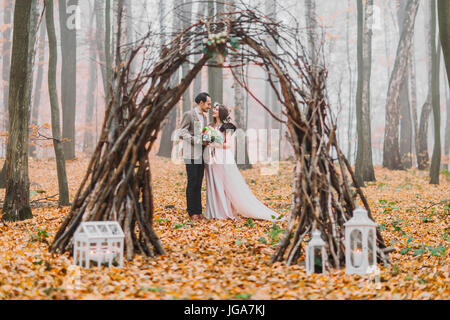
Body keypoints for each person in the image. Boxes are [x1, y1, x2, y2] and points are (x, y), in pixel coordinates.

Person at [204, 103, 284, 221]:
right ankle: (215, 211)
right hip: (212, 160)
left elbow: (228, 145)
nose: (213, 110)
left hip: (224, 158)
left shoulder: (228, 127)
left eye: (216, 109)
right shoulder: (210, 126)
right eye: (214, 108)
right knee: (214, 185)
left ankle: (226, 211)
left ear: (221, 112)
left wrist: (214, 144)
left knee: (226, 184)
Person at [179, 92, 211, 221]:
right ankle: (192, 212)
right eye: (208, 103)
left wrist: (207, 139)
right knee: (192, 182)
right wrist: (195, 140)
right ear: (201, 103)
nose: (209, 106)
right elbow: (182, 131)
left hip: (202, 154)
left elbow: (204, 132)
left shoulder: (204, 117)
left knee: (198, 183)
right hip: (191, 154)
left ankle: (199, 211)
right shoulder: (189, 114)